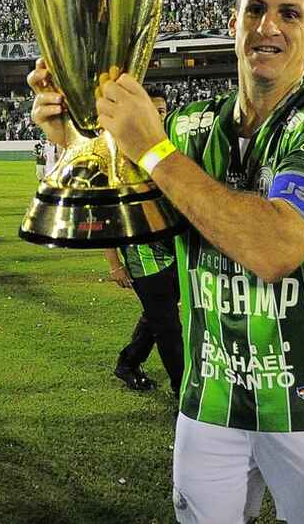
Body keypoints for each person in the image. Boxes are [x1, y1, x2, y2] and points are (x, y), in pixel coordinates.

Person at [29, 0, 304, 524]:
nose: (268, 27)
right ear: (232, 22)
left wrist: (155, 151)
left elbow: (275, 248)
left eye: (289, 14)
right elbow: (124, 215)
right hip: (209, 401)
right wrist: (70, 132)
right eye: (255, 10)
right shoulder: (189, 125)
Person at [105, 92, 185, 396]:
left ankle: (128, 363)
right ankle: (184, 391)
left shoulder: (172, 149)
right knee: (168, 325)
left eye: (161, 110)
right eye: (150, 111)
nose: (157, 116)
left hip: (174, 252)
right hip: (144, 260)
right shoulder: (122, 157)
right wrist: (114, 265)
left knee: (157, 316)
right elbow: (108, 215)